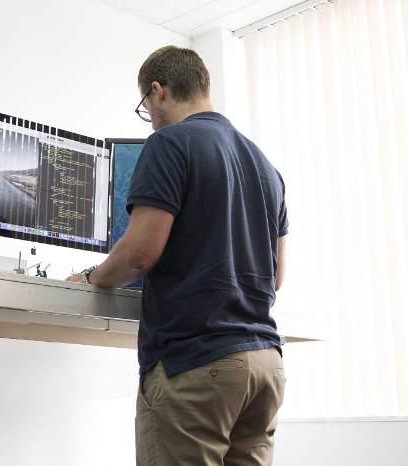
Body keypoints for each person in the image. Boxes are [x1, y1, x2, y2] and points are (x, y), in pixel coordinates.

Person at [66, 45, 288, 465]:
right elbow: (274, 278)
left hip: (199, 365)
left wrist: (91, 275)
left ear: (157, 91)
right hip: (265, 367)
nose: (148, 120)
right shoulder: (265, 166)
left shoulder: (169, 143)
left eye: (144, 107)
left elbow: (139, 254)